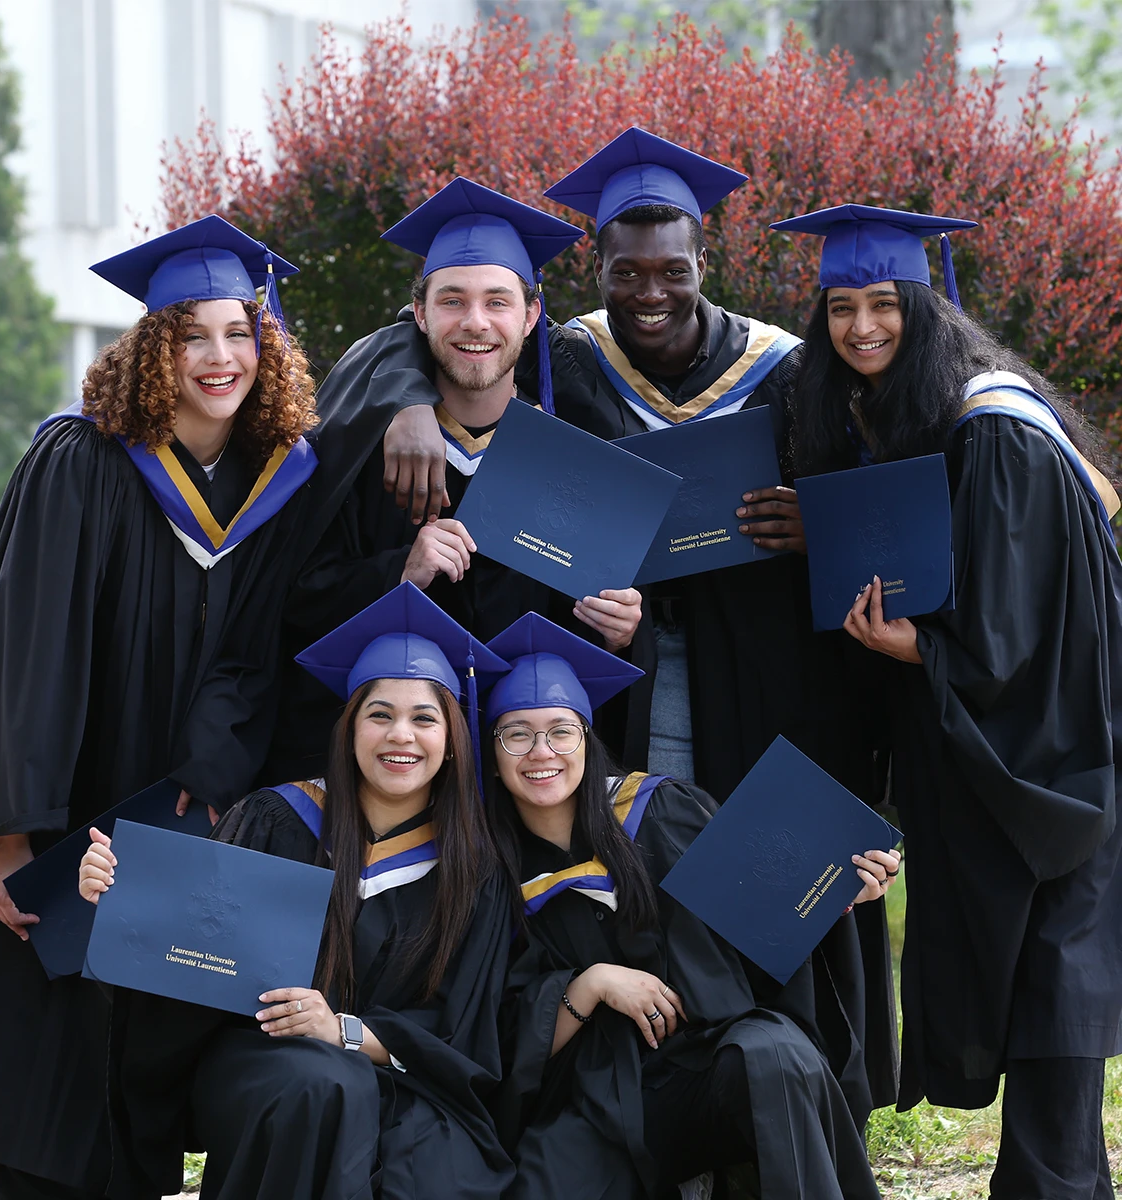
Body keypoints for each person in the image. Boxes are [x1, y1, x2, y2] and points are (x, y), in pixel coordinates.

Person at [326, 131, 899, 1115]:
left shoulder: (789, 367)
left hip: (760, 671)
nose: (649, 291)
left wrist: (822, 524)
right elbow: (425, 339)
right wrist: (407, 399)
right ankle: (657, 1083)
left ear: (704, 265)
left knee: (758, 863)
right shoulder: (573, 362)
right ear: (594, 272)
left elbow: (890, 481)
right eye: (626, 270)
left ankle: (790, 1087)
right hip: (607, 675)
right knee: (637, 873)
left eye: (672, 270)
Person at [0, 215, 326, 1199]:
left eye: (239, 334)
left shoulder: (274, 478)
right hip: (64, 802)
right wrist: (12, 837)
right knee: (50, 1073)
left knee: (137, 1066)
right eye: (194, 336)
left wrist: (211, 777)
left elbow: (253, 655)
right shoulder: (82, 461)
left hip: (169, 814)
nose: (220, 358)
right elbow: (27, 654)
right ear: (154, 346)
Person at [775, 202, 1122, 1199]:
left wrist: (919, 645)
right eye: (842, 307)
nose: (862, 326)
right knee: (1036, 976)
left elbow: (1017, 620)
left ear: (927, 308)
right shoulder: (907, 418)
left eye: (885, 303)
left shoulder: (996, 429)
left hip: (1054, 748)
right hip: (1010, 746)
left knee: (1056, 973)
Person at [78, 582, 516, 1200]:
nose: (401, 736)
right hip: (264, 1063)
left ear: (451, 743)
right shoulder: (278, 818)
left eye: (425, 718)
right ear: (350, 728)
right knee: (324, 1085)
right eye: (380, 714)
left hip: (402, 1075)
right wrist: (120, 901)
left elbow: (466, 1030)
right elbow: (189, 954)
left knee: (434, 1159)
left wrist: (345, 1031)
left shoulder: (474, 869)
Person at [482, 613, 897, 1199]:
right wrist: (590, 984)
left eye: (560, 730)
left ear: (587, 737)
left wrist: (832, 894)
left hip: (704, 1066)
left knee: (775, 1055)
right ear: (492, 751)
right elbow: (487, 1036)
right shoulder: (484, 869)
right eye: (516, 734)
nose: (539, 751)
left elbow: (754, 921)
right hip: (589, 1098)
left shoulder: (662, 811)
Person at [266, 178, 643, 784]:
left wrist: (621, 632)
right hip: (388, 772)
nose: (475, 322)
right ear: (418, 313)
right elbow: (296, 601)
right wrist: (401, 572)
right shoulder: (359, 450)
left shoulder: (574, 457)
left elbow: (584, 633)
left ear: (531, 316)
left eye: (497, 301)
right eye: (451, 301)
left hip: (522, 774)